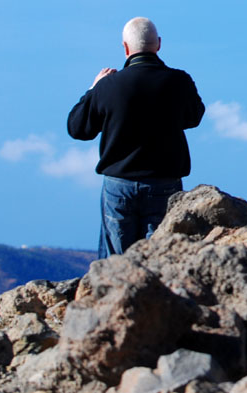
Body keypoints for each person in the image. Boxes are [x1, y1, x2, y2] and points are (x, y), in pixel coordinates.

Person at [67, 17, 205, 258]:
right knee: (160, 258)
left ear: (125, 47)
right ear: (158, 44)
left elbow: (77, 128)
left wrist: (92, 90)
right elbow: (194, 118)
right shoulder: (179, 81)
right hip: (165, 182)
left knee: (116, 263)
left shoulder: (108, 86)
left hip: (119, 184)